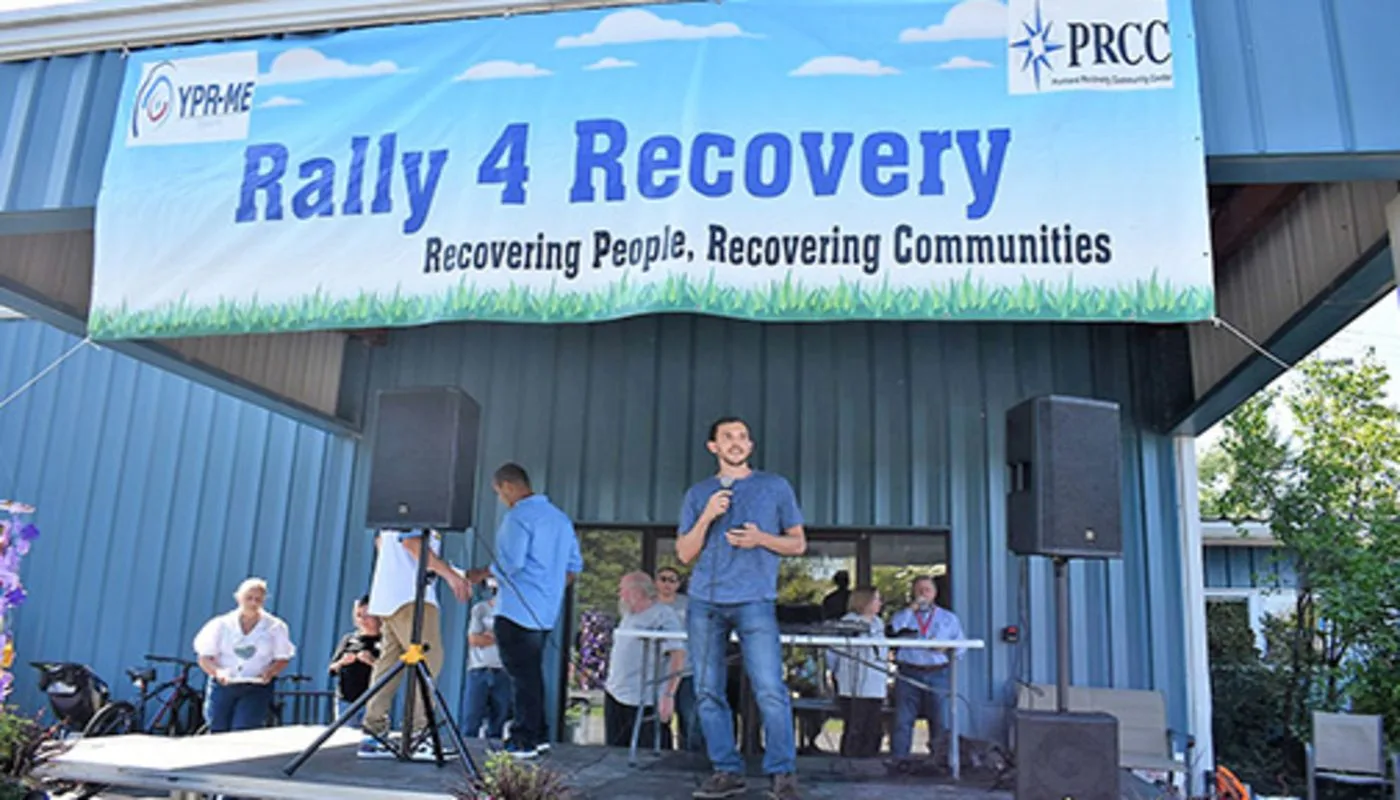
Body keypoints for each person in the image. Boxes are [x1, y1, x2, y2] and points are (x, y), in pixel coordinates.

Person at [677, 416, 807, 800]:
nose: (736, 442)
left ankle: (782, 773)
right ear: (713, 447)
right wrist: (707, 516)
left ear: (750, 446)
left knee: (769, 688)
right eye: (727, 437)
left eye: (743, 437)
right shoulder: (698, 493)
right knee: (707, 691)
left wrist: (761, 539)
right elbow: (684, 554)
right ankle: (726, 770)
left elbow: (798, 544)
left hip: (755, 600)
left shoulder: (775, 486)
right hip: (705, 601)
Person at [488, 462, 584, 760]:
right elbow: (573, 567)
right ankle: (539, 733)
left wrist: (480, 574)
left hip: (516, 610)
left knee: (521, 677)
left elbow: (511, 563)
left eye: (499, 493)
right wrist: (548, 588)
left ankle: (524, 738)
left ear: (507, 486)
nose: (502, 499)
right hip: (545, 613)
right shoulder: (560, 518)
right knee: (531, 673)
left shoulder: (518, 516)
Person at [358, 528, 471, 760]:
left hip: (390, 598)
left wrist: (448, 570)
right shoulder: (420, 510)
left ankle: (373, 735)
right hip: (410, 598)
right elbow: (412, 544)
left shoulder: (394, 514)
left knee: (388, 667)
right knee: (428, 662)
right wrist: (451, 576)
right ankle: (420, 735)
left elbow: (382, 543)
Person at [193, 577, 295, 733]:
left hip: (256, 686)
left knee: (244, 729)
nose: (253, 603)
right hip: (224, 685)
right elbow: (204, 657)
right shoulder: (220, 624)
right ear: (238, 598)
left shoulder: (275, 627)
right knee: (217, 728)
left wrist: (270, 672)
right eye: (249, 598)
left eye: (258, 599)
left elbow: (283, 657)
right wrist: (217, 672)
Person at [603, 572, 684, 748]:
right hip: (616, 694)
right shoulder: (628, 614)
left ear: (637, 592)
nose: (620, 594)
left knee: (648, 753)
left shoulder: (663, 615)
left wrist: (668, 694)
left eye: (622, 589)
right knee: (614, 751)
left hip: (645, 699)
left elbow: (678, 655)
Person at [888, 575, 965, 759]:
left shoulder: (948, 618)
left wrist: (945, 648)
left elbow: (961, 646)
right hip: (908, 672)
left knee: (940, 720)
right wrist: (911, 609)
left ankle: (938, 761)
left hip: (937, 672)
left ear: (935, 593)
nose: (923, 594)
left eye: (927, 590)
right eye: (919, 590)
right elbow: (893, 630)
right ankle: (899, 761)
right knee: (903, 720)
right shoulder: (904, 616)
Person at [824, 587, 888, 758]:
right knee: (855, 727)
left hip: (876, 683)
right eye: (876, 599)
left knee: (874, 728)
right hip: (853, 684)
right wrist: (835, 674)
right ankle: (850, 760)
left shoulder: (878, 623)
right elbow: (833, 652)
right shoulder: (848, 623)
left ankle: (870, 760)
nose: (880, 603)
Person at [655, 565, 701, 752]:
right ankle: (661, 753)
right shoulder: (649, 605)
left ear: (678, 584)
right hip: (658, 672)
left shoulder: (689, 605)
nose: (667, 584)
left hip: (686, 669)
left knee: (690, 717)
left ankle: (692, 756)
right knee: (659, 717)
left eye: (672, 580)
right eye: (663, 579)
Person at [463, 578, 513, 740]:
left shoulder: (513, 615)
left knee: (499, 720)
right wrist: (500, 637)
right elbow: (474, 639)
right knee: (472, 718)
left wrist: (491, 636)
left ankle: (494, 751)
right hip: (479, 669)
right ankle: (468, 749)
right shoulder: (481, 609)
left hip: (503, 671)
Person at [327, 594, 381, 728]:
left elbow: (390, 672)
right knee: (347, 735)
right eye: (359, 615)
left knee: (370, 734)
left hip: (372, 700)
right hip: (346, 700)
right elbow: (332, 669)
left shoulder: (385, 641)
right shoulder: (349, 639)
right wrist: (343, 662)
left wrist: (372, 661)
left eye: (367, 615)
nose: (363, 620)